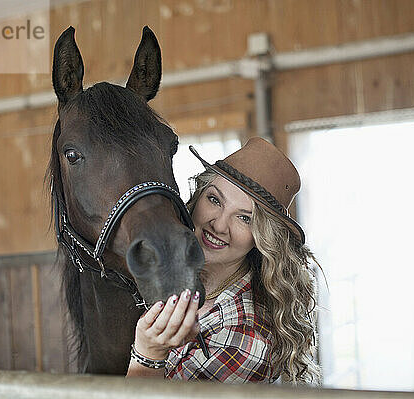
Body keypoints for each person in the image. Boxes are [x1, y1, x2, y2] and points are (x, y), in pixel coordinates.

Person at [126, 137, 320, 384]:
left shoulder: (247, 339)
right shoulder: (165, 268)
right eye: (214, 200)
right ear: (197, 196)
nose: (218, 225)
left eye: (244, 218)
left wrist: (148, 355)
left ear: (263, 239)